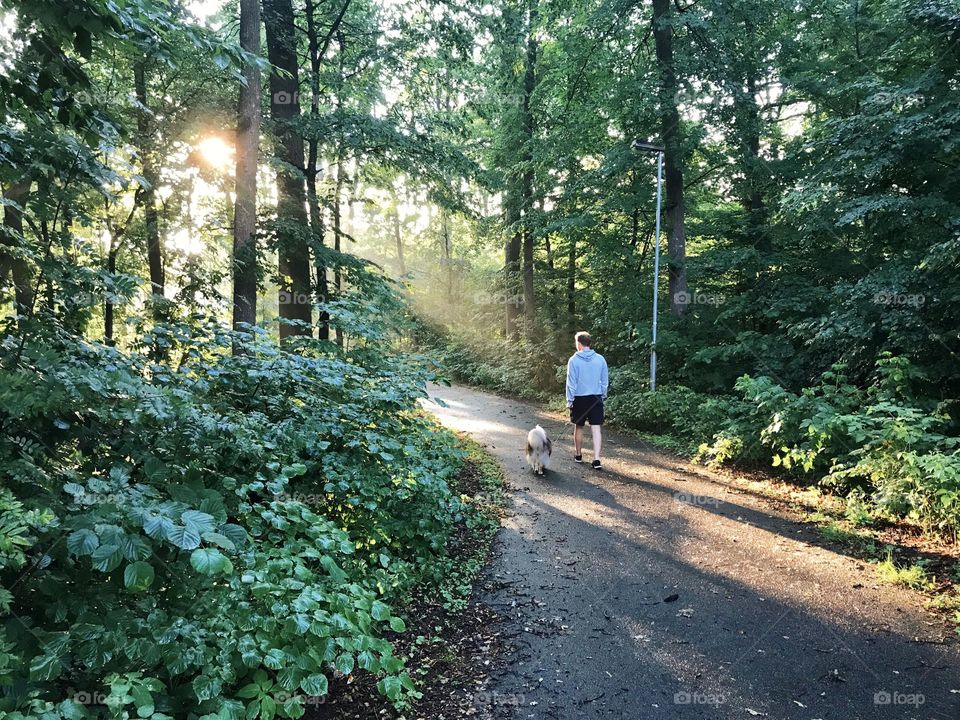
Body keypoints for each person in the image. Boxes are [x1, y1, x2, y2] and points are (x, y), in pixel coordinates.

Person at [565, 331, 609, 470]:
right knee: (596, 428)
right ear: (589, 343)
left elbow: (571, 382)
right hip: (596, 397)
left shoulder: (573, 360)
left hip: (579, 398)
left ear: (579, 343)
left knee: (579, 427)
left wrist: (569, 400)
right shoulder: (600, 359)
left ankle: (578, 455)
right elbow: (604, 380)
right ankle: (596, 459)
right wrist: (603, 394)